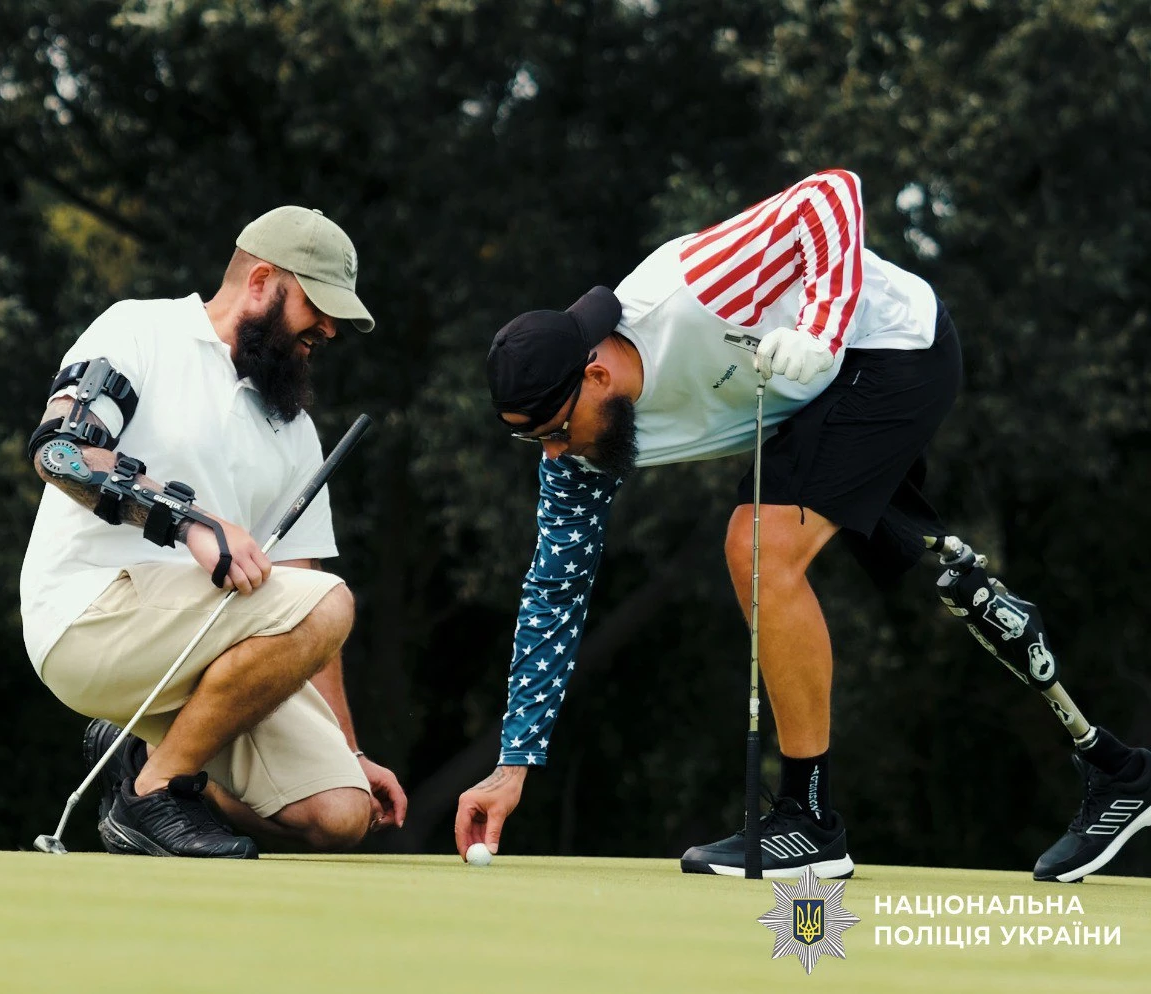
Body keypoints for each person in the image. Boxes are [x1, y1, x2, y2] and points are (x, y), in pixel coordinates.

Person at [454, 169, 1151, 880]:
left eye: (551, 430)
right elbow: (555, 590)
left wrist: (820, 325)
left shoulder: (692, 289)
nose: (551, 452)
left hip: (893, 346)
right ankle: (1118, 770)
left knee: (758, 546)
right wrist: (512, 766)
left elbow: (832, 193)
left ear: (595, 376)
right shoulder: (581, 451)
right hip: (813, 405)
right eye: (531, 440)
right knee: (943, 568)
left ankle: (808, 820)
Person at [21, 206, 406, 858]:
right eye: (318, 305)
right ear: (260, 282)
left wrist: (350, 749)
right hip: (87, 616)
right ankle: (154, 791)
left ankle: (148, 758)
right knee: (336, 600)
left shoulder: (294, 428)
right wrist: (191, 521)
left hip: (209, 659)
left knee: (342, 814)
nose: (331, 329)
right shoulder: (139, 329)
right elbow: (61, 452)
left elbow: (305, 599)